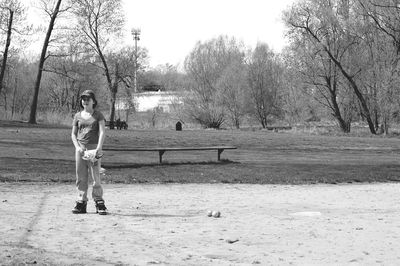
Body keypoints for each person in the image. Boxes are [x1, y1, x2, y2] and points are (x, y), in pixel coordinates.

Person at [71, 90, 107, 215]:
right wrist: (77, 147)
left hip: (93, 149)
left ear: (93, 101)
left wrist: (99, 147)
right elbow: (73, 134)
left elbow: (102, 131)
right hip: (81, 149)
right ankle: (81, 201)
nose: (85, 101)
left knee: (95, 175)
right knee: (81, 176)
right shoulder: (77, 116)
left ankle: (98, 201)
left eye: (88, 99)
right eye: (83, 99)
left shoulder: (98, 115)